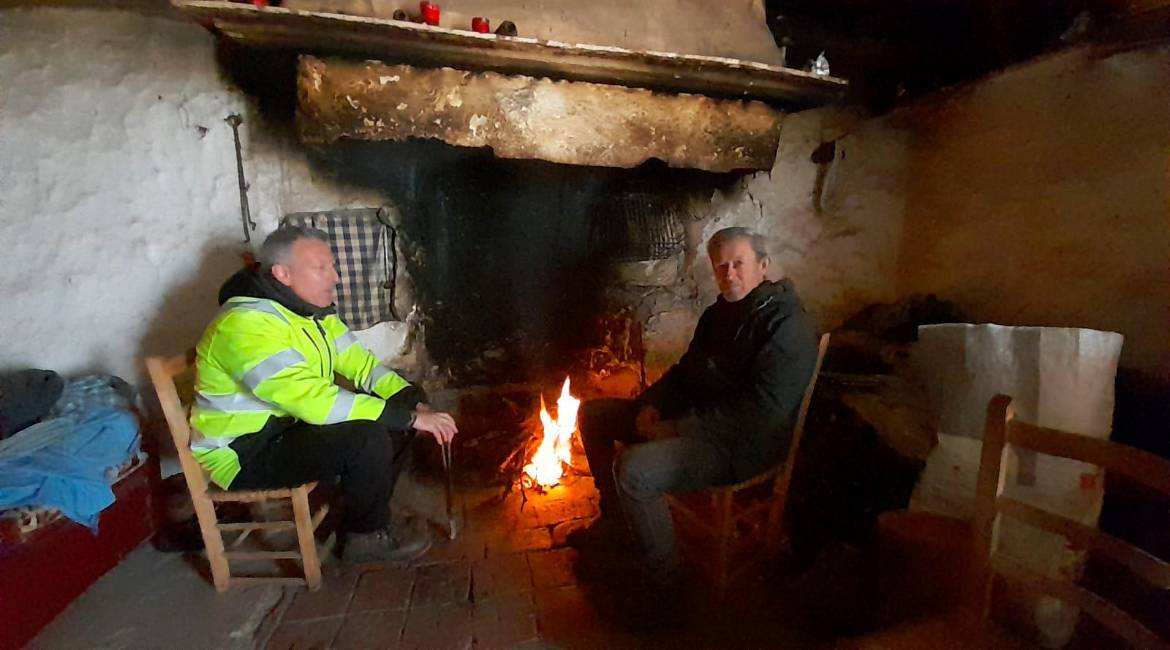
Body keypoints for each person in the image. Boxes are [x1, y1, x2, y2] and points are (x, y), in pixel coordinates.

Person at [189, 225, 458, 563]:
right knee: (366, 434)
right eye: (321, 268)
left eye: (333, 266)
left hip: (288, 428)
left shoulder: (309, 313)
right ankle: (364, 538)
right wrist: (409, 417)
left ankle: (365, 510)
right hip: (245, 451)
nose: (336, 278)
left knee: (396, 412)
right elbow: (317, 403)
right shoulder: (244, 325)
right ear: (282, 274)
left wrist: (410, 400)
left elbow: (362, 366)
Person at [577, 226, 818, 592]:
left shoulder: (786, 326)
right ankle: (620, 522)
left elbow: (760, 416)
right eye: (721, 267)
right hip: (699, 421)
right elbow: (685, 373)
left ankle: (666, 585)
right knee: (594, 416)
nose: (729, 274)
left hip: (742, 445)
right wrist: (652, 404)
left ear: (763, 266)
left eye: (739, 264)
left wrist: (676, 429)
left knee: (634, 469)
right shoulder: (718, 315)